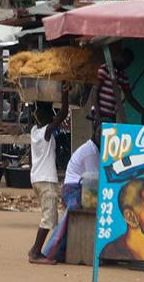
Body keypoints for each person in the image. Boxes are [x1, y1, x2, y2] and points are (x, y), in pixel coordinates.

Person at [48, 135, 99, 263]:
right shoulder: (90, 152)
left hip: (82, 187)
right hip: (73, 189)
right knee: (73, 213)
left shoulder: (96, 149)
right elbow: (94, 178)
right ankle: (55, 250)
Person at [26, 103, 63, 263]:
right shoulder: (46, 132)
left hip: (36, 178)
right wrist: (65, 94)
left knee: (50, 216)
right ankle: (35, 252)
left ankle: (36, 250)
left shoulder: (34, 131)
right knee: (48, 218)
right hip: (46, 179)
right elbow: (63, 114)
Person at [93, 44, 144, 127]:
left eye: (128, 63)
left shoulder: (123, 76)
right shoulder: (104, 69)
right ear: (120, 56)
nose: (127, 65)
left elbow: (130, 98)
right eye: (126, 61)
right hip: (100, 114)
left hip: (112, 116)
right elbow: (95, 92)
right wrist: (97, 115)